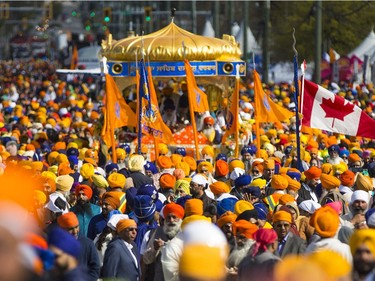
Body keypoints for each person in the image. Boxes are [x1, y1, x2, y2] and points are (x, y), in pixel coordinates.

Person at [142, 203, 185, 281]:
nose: (171, 220)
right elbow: (146, 260)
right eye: (168, 217)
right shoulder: (157, 233)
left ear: (179, 219)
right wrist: (155, 249)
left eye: (174, 217)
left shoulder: (185, 234)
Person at [57, 212, 100, 281]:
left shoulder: (88, 243)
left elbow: (95, 267)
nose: (75, 231)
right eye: (70, 229)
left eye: (77, 227)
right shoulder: (56, 246)